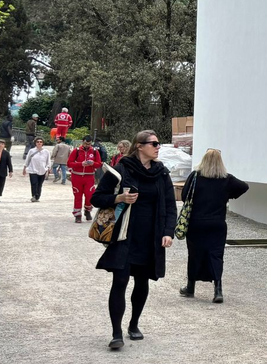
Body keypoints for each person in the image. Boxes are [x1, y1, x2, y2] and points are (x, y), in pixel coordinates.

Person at [91, 130, 177, 350]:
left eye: (159, 144)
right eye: (154, 143)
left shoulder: (161, 173)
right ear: (140, 146)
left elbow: (170, 206)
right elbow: (97, 197)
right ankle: (116, 332)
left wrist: (168, 232)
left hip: (150, 237)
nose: (158, 147)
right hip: (124, 235)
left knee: (142, 282)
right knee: (119, 282)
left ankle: (134, 324)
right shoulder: (121, 169)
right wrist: (119, 197)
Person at [179, 149, 249, 303]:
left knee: (194, 254)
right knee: (216, 255)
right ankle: (218, 290)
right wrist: (228, 195)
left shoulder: (195, 176)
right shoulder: (226, 179)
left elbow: (184, 196)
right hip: (217, 224)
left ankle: (190, 287)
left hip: (196, 223)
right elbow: (244, 187)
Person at [68, 135, 102, 223]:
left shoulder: (94, 151)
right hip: (77, 176)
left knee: (89, 195)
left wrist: (92, 163)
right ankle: (77, 215)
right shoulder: (76, 151)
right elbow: (69, 163)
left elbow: (99, 164)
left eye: (89, 144)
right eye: (86, 143)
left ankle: (87, 210)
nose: (88, 145)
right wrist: (80, 164)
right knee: (78, 196)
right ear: (82, 142)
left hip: (89, 176)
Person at [23, 138, 50, 202]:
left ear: (42, 143)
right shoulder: (31, 151)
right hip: (33, 170)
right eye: (38, 142)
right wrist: (24, 168)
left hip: (42, 170)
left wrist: (48, 168)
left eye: (41, 142)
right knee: (34, 183)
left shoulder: (46, 152)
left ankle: (38, 196)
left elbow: (48, 161)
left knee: (39, 184)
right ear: (35, 143)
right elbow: (27, 160)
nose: (39, 143)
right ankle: (34, 195)